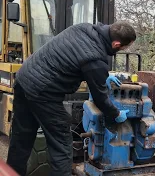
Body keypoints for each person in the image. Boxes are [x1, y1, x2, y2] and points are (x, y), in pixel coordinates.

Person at [6, 21, 136, 176]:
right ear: (116, 43)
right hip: (43, 90)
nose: (124, 50)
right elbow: (100, 98)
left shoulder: (85, 28)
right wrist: (116, 114)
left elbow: (74, 58)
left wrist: (103, 77)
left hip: (24, 78)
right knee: (61, 144)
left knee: (21, 138)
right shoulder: (96, 59)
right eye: (125, 47)